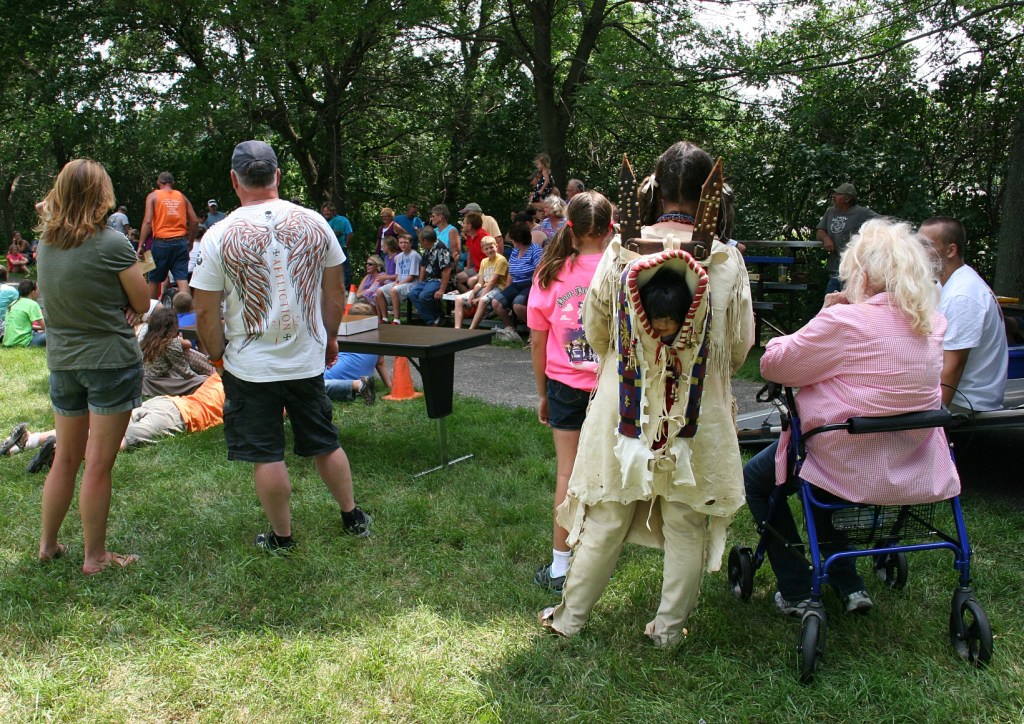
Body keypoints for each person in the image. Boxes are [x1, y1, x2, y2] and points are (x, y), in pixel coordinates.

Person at [539, 141, 754, 647]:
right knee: (685, 519)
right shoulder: (726, 260)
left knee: (607, 509)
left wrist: (630, 359)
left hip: (623, 405)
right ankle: (669, 630)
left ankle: (570, 620)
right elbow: (741, 348)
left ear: (655, 189)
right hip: (697, 410)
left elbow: (595, 332)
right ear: (711, 193)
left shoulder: (620, 251)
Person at [744, 218, 960, 616]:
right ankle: (850, 584)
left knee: (757, 481)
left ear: (861, 273)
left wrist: (820, 318)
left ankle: (795, 587)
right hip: (908, 460)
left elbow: (775, 365)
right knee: (822, 476)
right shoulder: (931, 325)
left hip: (843, 456)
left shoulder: (844, 322)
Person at [191, 140, 371, 552]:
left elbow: (204, 313)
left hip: (250, 365)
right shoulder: (315, 223)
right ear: (277, 175)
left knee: (266, 452)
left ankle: (282, 538)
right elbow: (335, 290)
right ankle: (351, 516)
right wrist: (329, 338)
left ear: (235, 181)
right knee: (325, 440)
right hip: (306, 356)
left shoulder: (217, 235)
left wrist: (218, 356)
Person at [34, 158, 151, 573]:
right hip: (109, 363)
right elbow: (142, 303)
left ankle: (48, 545)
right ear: (103, 196)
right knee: (98, 463)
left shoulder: (45, 244)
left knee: (65, 457)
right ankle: (95, 557)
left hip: (63, 363)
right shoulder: (112, 244)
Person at [527, 191, 611, 594]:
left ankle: (561, 568)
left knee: (568, 472)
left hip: (564, 384)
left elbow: (538, 340)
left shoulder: (550, 270)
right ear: (612, 228)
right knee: (610, 475)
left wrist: (542, 393)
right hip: (612, 388)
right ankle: (601, 563)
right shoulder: (624, 270)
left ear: (570, 228)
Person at [8, 374, 228, 475]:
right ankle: (56, 452)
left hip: (166, 402)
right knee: (123, 439)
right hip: (181, 416)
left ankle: (27, 441)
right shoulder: (238, 392)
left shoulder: (218, 376)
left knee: (99, 429)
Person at [920, 216, 1008, 412]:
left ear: (951, 250)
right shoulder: (947, 285)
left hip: (966, 403)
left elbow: (953, 366)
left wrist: (931, 422)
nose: (918, 251)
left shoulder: (962, 295)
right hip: (957, 396)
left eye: (925, 245)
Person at [138, 171, 199, 301]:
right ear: (173, 183)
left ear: (158, 183)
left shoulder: (153, 196)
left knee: (154, 279)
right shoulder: (181, 197)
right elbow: (194, 221)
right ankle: (187, 319)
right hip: (180, 242)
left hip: (161, 243)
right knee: (182, 280)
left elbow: (148, 221)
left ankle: (154, 316)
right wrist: (191, 241)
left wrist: (141, 245)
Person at [816, 183, 878, 294]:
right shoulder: (831, 211)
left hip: (853, 269)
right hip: (835, 267)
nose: (834, 196)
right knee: (830, 303)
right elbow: (820, 231)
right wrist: (826, 238)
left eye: (838, 194)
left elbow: (882, 224)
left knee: (849, 303)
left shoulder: (861, 212)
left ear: (847, 198)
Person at [140, 306, 214, 396]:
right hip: (157, 383)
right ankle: (211, 373)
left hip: (144, 380)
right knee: (204, 381)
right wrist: (201, 379)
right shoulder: (170, 343)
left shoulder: (147, 337)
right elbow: (186, 372)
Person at [492, 221, 542, 341]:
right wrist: (507, 291)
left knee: (518, 305)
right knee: (496, 302)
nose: (512, 242)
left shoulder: (535, 250)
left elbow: (539, 272)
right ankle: (511, 329)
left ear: (518, 240)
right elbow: (511, 272)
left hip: (530, 284)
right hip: (515, 284)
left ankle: (533, 331)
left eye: (513, 239)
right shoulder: (515, 251)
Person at [453, 236, 508, 329]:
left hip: (498, 288)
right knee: (459, 299)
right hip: (485, 288)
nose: (489, 250)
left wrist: (479, 298)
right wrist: (472, 294)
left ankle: (472, 329)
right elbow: (480, 282)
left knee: (483, 301)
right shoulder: (484, 262)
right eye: (486, 248)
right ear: (483, 250)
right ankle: (457, 329)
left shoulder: (501, 260)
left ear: (496, 246)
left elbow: (492, 282)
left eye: (491, 247)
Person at [408, 226, 454, 326]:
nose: (420, 243)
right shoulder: (427, 249)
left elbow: (447, 270)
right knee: (412, 293)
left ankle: (438, 317)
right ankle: (432, 320)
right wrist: (420, 283)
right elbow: (423, 267)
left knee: (424, 296)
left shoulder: (441, 249)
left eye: (420, 241)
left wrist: (442, 289)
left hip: (439, 280)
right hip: (429, 281)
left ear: (426, 241)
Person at [377, 234, 421, 324]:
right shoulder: (399, 257)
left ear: (411, 244)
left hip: (412, 284)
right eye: (401, 243)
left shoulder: (414, 255)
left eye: (406, 242)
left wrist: (398, 284)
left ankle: (397, 319)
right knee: (379, 291)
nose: (403, 245)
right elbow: (398, 274)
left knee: (394, 290)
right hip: (401, 282)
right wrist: (396, 282)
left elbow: (412, 276)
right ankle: (385, 318)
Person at [323, 349, 391, 404]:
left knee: (314, 386)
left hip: (335, 372)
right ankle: (361, 385)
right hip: (364, 375)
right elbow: (380, 363)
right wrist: (391, 386)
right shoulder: (377, 334)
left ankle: (359, 385)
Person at [3, 279, 46, 347]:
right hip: (23, 342)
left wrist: (39, 329)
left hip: (8, 341)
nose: (38, 293)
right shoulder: (32, 304)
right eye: (37, 291)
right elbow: (45, 327)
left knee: (36, 332)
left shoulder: (13, 303)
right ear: (32, 292)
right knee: (53, 334)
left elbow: (20, 325)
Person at [321, 202, 354, 289]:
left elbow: (335, 234)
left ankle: (346, 288)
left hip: (339, 249)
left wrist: (346, 245)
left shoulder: (338, 220)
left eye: (328, 211)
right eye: (324, 212)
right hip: (326, 250)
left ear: (333, 211)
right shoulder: (323, 221)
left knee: (344, 269)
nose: (326, 213)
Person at [455, 211, 487, 293]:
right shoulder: (469, 236)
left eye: (464, 223)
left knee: (470, 281)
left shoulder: (484, 237)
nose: (462, 225)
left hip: (487, 270)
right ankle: (467, 302)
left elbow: (493, 258)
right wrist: (468, 270)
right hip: (476, 268)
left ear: (469, 226)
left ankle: (473, 302)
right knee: (456, 279)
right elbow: (470, 256)